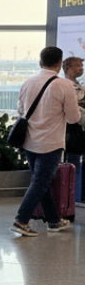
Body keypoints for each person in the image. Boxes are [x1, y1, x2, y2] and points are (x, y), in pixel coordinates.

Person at [10, 45, 79, 237]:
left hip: (30, 142)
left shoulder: (28, 82)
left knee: (42, 181)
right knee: (41, 182)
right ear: (59, 63)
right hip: (51, 143)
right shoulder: (64, 85)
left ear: (41, 61)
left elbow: (21, 111)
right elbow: (73, 118)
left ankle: (53, 221)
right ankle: (21, 220)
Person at [62, 55, 85, 203]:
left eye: (81, 66)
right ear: (68, 68)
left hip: (80, 131)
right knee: (72, 166)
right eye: (77, 66)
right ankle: (72, 202)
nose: (81, 69)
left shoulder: (78, 85)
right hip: (71, 131)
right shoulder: (65, 86)